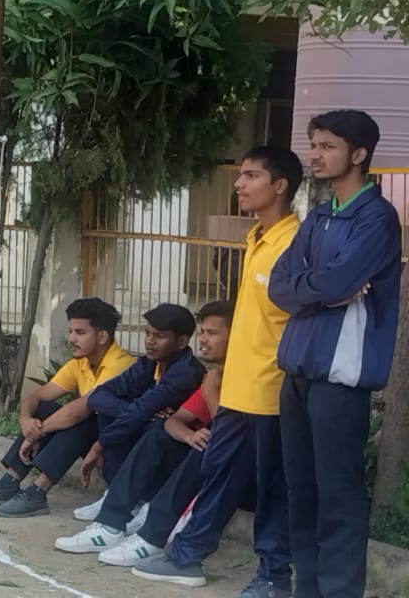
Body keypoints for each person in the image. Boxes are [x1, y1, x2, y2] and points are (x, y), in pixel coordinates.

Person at [132, 145, 304, 594]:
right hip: (238, 389)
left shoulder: (295, 243)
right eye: (240, 175)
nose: (239, 184)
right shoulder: (255, 238)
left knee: (273, 487)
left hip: (272, 389)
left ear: (280, 185)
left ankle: (273, 577)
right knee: (217, 472)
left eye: (251, 176)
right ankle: (187, 556)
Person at [273, 110, 401, 597]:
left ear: (359, 154)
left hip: (340, 378)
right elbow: (278, 286)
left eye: (328, 146)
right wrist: (321, 290)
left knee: (338, 496)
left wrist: (317, 286)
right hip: (297, 371)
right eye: (314, 145)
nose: (316, 155)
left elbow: (337, 282)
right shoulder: (318, 215)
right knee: (301, 492)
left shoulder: (377, 218)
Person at [55, 301, 232, 555]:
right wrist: (188, 433)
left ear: (181, 341)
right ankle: (112, 520)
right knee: (138, 421)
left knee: (155, 430)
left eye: (211, 333)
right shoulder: (152, 364)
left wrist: (210, 390)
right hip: (193, 450)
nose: (149, 341)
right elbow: (103, 397)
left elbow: (228, 435)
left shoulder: (191, 373)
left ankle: (147, 529)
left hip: (223, 466)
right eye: (202, 332)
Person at [0, 298, 135, 516]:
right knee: (43, 408)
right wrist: (26, 420)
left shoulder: (120, 365)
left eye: (80, 333)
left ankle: (38, 491)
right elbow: (36, 396)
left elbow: (81, 410)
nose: (71, 339)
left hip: (121, 445)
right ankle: (9, 481)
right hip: (97, 438)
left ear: (101, 337)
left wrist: (37, 433)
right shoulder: (80, 363)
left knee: (83, 419)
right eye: (70, 331)